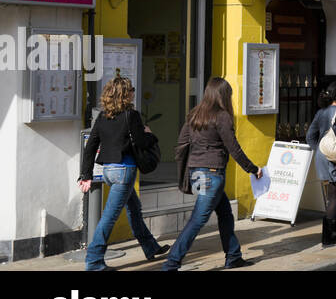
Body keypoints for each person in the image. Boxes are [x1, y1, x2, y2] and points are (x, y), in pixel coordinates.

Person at [163, 77, 265, 271]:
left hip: (197, 173)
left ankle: (233, 256)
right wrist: (253, 169)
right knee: (197, 220)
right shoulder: (222, 116)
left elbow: (182, 141)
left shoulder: (195, 114)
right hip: (212, 173)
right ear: (224, 95)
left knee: (225, 214)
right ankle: (171, 263)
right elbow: (233, 147)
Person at [78, 76, 169, 270]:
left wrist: (86, 174)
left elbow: (91, 146)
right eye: (131, 89)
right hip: (124, 171)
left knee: (134, 209)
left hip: (110, 171)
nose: (134, 92)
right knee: (109, 218)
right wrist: (150, 134)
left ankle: (150, 247)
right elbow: (142, 142)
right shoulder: (131, 115)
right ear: (125, 94)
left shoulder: (103, 117)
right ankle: (94, 261)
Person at [306, 81, 336, 247]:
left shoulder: (321, 112)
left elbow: (309, 136)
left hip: (322, 158)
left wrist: (320, 150)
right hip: (335, 160)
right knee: (333, 195)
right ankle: (328, 236)